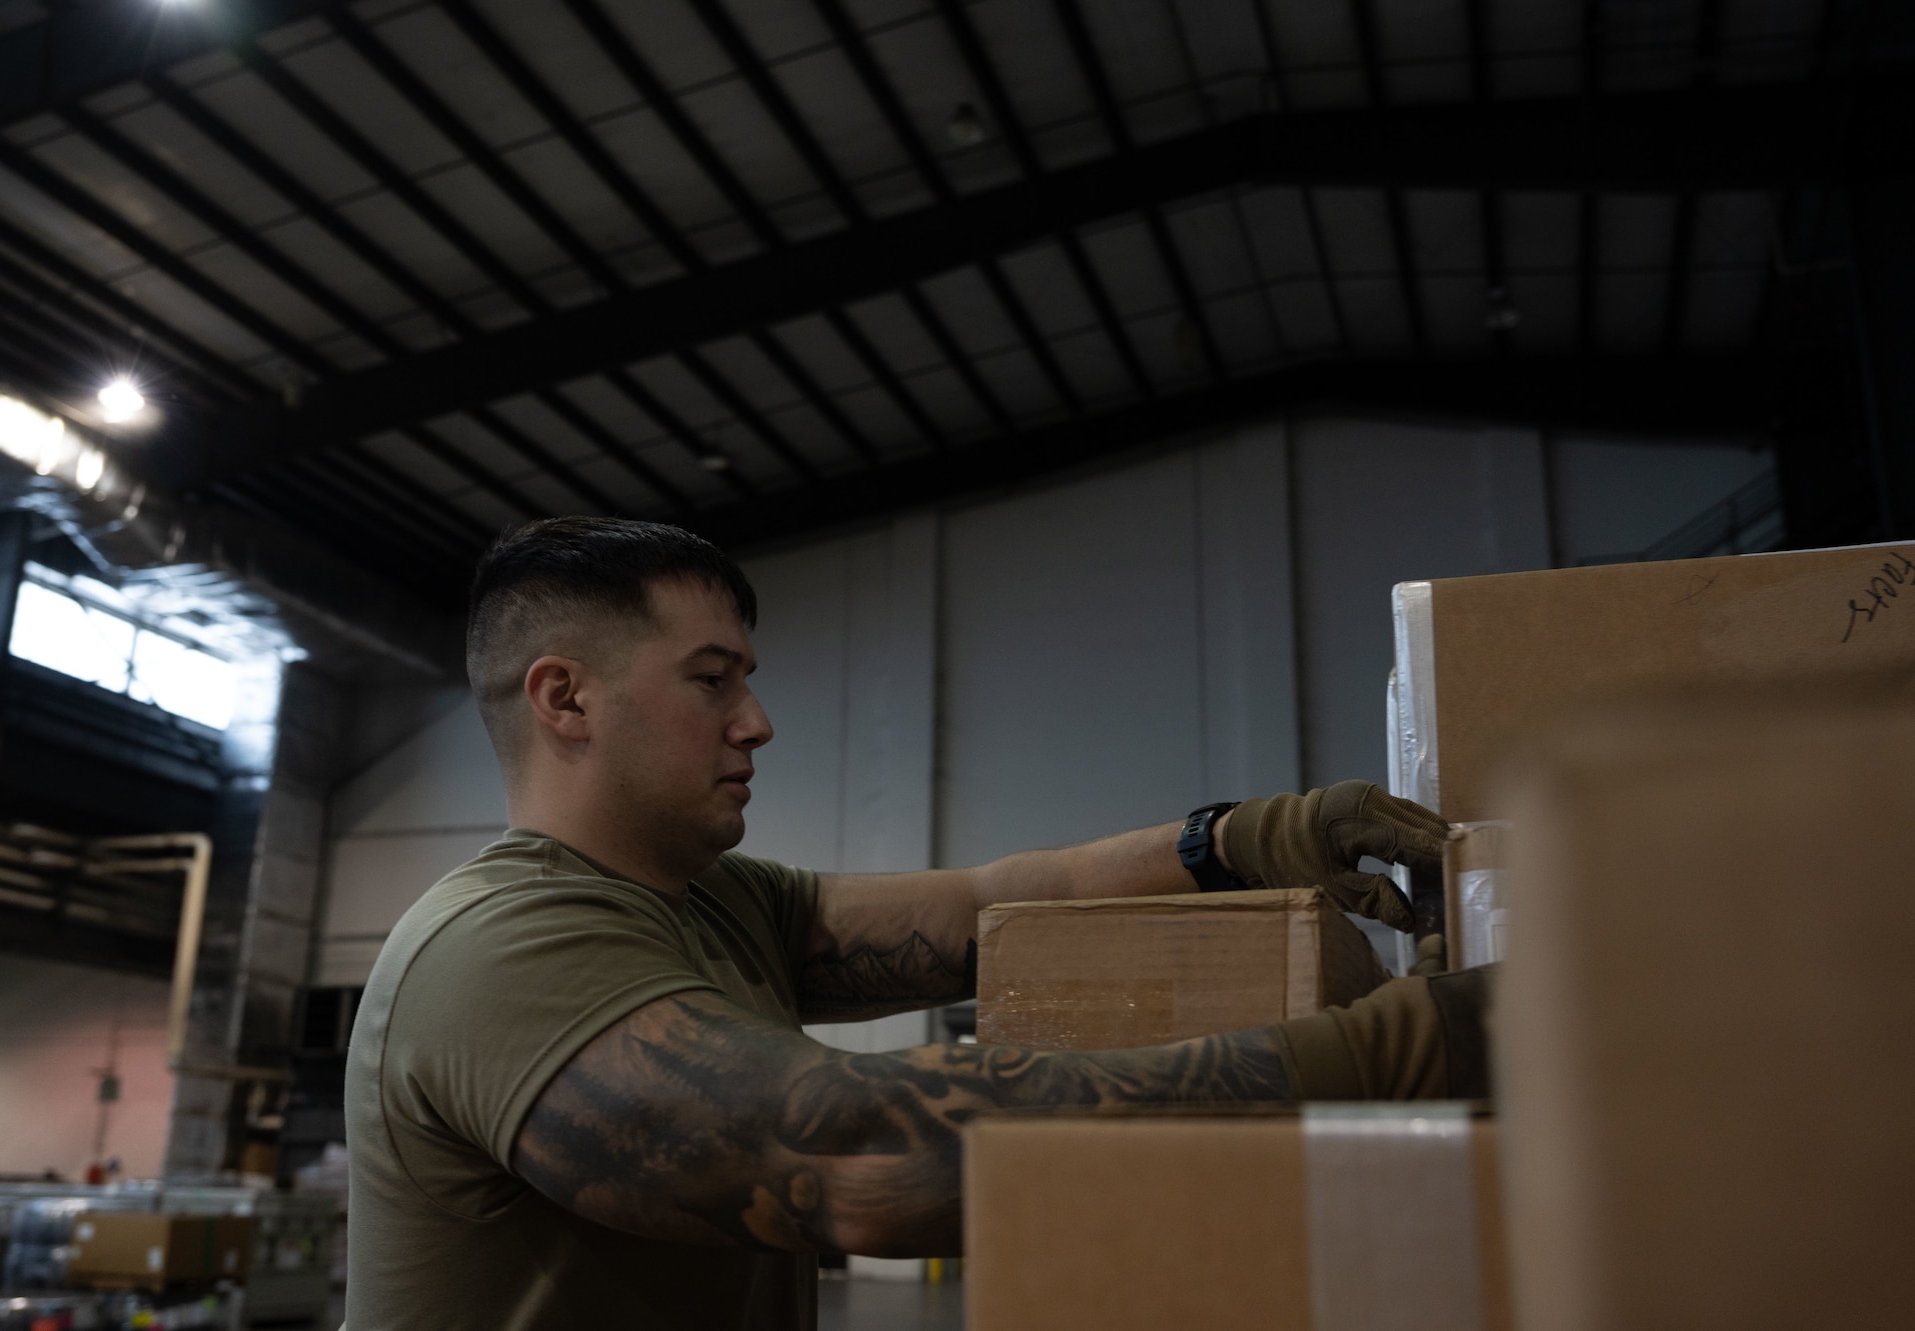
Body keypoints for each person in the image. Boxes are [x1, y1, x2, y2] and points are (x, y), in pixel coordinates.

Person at [344, 518, 1486, 1331]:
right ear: (565, 698)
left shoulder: (717, 901)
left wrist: (1242, 837)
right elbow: (852, 1152)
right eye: (711, 679)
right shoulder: (495, 946)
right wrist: (1398, 1050)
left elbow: (989, 901)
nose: (757, 721)